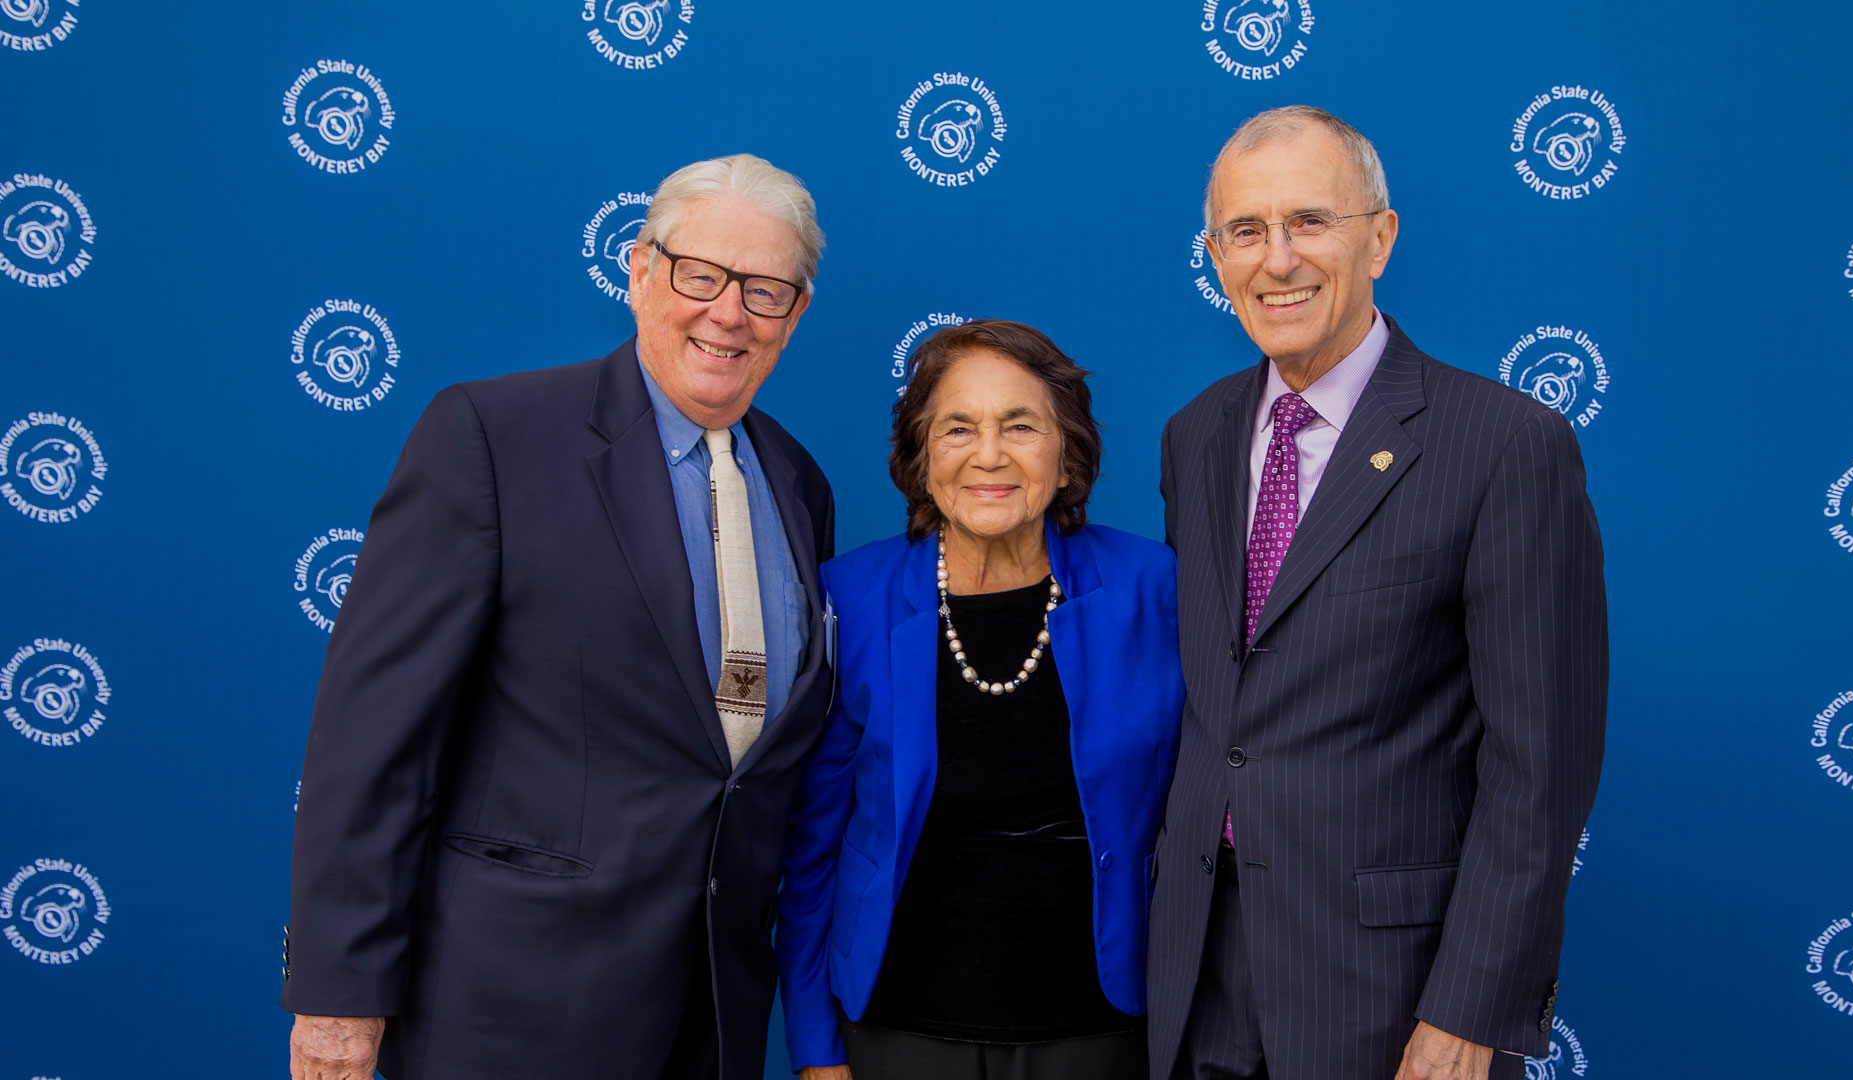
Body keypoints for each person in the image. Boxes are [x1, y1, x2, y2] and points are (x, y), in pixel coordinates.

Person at [281, 153, 836, 1080]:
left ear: (797, 312)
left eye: (765, 289)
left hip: (710, 1014)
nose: (728, 312)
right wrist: (340, 995)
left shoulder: (797, 481)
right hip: (510, 1010)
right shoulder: (493, 438)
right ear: (640, 268)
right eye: (700, 274)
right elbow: (372, 740)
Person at [1150, 107, 1607, 1080]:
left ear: (1382, 238)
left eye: (1310, 221)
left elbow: (1541, 773)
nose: (1277, 259)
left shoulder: (1505, 445)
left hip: (1392, 994)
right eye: (1245, 231)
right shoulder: (1195, 438)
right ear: (1215, 256)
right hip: (1199, 978)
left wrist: (1470, 1012)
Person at [776, 320, 1185, 1080]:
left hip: (1102, 1028)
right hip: (899, 1030)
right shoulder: (853, 597)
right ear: (921, 454)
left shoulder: (1150, 586)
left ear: (1066, 456)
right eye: (958, 427)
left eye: (1021, 426)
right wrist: (813, 1043)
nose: (988, 454)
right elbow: (814, 843)